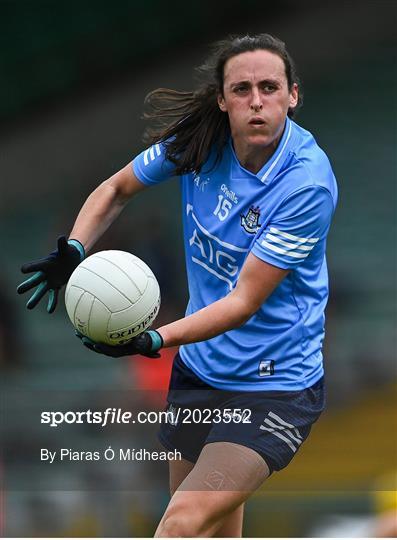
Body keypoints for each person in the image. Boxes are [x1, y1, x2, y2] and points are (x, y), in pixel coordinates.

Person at [17, 34, 338, 537]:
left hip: (273, 386)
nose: (256, 100)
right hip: (200, 373)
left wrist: (152, 340)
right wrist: (75, 249)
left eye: (270, 87)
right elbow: (117, 188)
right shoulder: (199, 142)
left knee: (180, 525)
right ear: (222, 98)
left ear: (292, 95)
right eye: (242, 88)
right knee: (210, 531)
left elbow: (244, 301)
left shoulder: (306, 185)